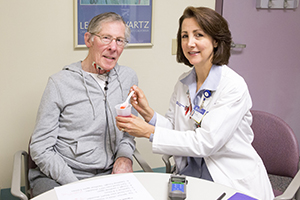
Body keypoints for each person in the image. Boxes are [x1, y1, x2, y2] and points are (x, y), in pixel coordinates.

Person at [116, 6, 274, 200]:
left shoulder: (233, 86)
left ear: (215, 41)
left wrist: (147, 131)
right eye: (184, 36)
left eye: (198, 35)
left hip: (230, 180)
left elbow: (206, 143)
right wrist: (149, 114)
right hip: (192, 176)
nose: (190, 43)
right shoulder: (184, 83)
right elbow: (176, 131)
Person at [29, 12, 138, 197]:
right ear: (89, 39)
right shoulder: (60, 83)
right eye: (106, 38)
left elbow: (129, 133)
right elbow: (40, 147)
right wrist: (76, 186)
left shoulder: (128, 78)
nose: (114, 47)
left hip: (107, 175)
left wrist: (124, 157)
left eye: (120, 40)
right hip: (60, 176)